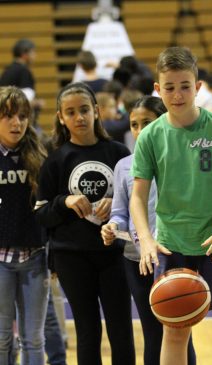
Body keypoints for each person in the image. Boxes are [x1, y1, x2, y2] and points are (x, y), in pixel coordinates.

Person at [130, 46, 212, 365]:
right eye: (169, 87)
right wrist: (146, 239)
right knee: (174, 331)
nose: (177, 94)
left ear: (198, 87)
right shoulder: (150, 136)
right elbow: (138, 196)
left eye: (185, 86)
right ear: (158, 89)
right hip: (173, 247)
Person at [34, 82, 134, 365]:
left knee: (121, 329)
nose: (79, 117)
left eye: (84, 110)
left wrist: (115, 203)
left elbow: (138, 205)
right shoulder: (55, 161)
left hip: (115, 254)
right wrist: (63, 201)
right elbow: (41, 214)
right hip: (71, 257)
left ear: (96, 112)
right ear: (61, 117)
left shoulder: (119, 154)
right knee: (87, 330)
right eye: (71, 112)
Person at [101, 96, 195, 365]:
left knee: (178, 330)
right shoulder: (123, 166)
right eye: (134, 124)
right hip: (136, 258)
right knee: (152, 333)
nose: (140, 130)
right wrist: (112, 226)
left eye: (147, 122)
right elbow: (120, 212)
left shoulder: (181, 159)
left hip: (174, 254)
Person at [0, 86, 49, 364]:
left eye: (22, 116)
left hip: (35, 258)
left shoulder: (40, 156)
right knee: (2, 337)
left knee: (33, 338)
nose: (16, 123)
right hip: (0, 261)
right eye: (8, 116)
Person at [0, 38, 44, 123]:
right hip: (19, 120)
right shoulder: (24, 71)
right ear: (24, 54)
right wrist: (37, 103)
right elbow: (25, 101)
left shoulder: (7, 71)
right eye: (33, 52)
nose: (35, 56)